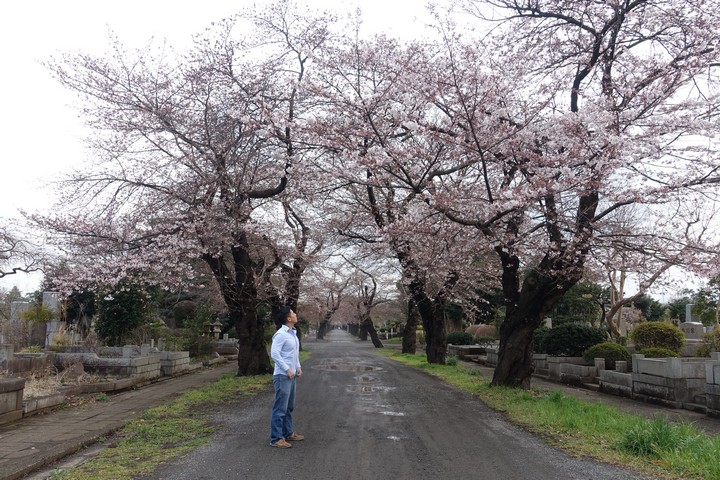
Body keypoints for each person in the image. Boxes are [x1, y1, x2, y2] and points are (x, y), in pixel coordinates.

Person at [269, 306, 304, 448]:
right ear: (288, 318)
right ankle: (276, 438)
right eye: (293, 313)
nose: (296, 314)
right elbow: (274, 354)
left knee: (289, 406)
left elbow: (293, 353)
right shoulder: (281, 334)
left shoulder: (293, 333)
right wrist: (287, 369)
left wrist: (298, 366)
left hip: (291, 375)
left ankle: (288, 433)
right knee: (280, 408)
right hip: (282, 376)